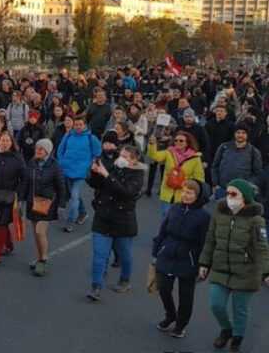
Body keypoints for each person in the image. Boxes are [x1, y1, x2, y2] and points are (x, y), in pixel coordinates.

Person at [199, 179, 269, 353]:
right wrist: (204, 262)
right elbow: (210, 239)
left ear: (244, 197)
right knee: (216, 304)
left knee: (240, 309)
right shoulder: (219, 214)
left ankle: (237, 338)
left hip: (246, 272)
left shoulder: (255, 220)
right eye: (227, 193)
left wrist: (267, 272)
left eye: (233, 194)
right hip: (221, 267)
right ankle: (226, 329)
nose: (229, 197)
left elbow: (262, 247)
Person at [152, 179, 211, 339]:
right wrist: (156, 251)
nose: (185, 195)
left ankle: (181, 324)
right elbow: (163, 231)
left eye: (189, 193)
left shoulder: (204, 217)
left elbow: (206, 242)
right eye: (184, 191)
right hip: (168, 253)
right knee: (163, 288)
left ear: (198, 195)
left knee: (186, 295)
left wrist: (204, 263)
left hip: (189, 259)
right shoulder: (175, 208)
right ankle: (170, 315)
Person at [86, 145, 145, 301]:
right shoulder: (113, 169)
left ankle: (125, 278)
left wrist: (106, 174)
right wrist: (94, 172)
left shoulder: (137, 176)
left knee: (124, 255)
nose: (121, 159)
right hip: (103, 218)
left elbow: (126, 192)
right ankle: (96, 286)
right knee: (99, 255)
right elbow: (96, 184)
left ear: (134, 160)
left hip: (123, 222)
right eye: (121, 155)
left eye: (125, 157)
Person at [20, 138, 67, 276]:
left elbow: (61, 187)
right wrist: (22, 199)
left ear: (47, 151)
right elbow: (26, 182)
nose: (37, 150)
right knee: (36, 234)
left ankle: (43, 260)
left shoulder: (55, 165)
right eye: (36, 148)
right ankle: (39, 258)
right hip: (33, 202)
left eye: (41, 149)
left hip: (47, 204)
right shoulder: (32, 163)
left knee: (40, 232)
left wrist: (61, 206)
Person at [0, 131, 26, 266]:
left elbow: (24, 178)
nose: (5, 143)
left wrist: (18, 193)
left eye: (8, 141)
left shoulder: (17, 158)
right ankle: (9, 245)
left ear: (12, 143)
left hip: (10, 195)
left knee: (1, 222)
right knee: (0, 221)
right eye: (3, 140)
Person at [57, 115, 102, 232]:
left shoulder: (91, 138)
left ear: (85, 125)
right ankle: (83, 212)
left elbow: (97, 153)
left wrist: (90, 165)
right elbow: (60, 150)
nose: (78, 127)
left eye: (80, 125)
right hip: (67, 170)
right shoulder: (68, 136)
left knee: (74, 195)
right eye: (76, 125)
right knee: (75, 195)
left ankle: (70, 221)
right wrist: (62, 163)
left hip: (82, 172)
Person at [147, 131, 205, 218]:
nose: (178, 142)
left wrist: (194, 193)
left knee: (179, 218)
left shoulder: (195, 158)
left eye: (181, 141)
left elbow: (199, 178)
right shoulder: (168, 152)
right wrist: (152, 144)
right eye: (176, 140)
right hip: (168, 191)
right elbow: (154, 156)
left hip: (184, 194)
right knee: (166, 215)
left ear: (187, 143)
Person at [211, 123, 262, 199]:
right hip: (222, 189)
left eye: (243, 133)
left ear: (247, 135)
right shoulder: (224, 147)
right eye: (238, 132)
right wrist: (215, 183)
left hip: (241, 192)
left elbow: (258, 173)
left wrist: (247, 185)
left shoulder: (253, 152)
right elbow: (215, 166)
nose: (240, 135)